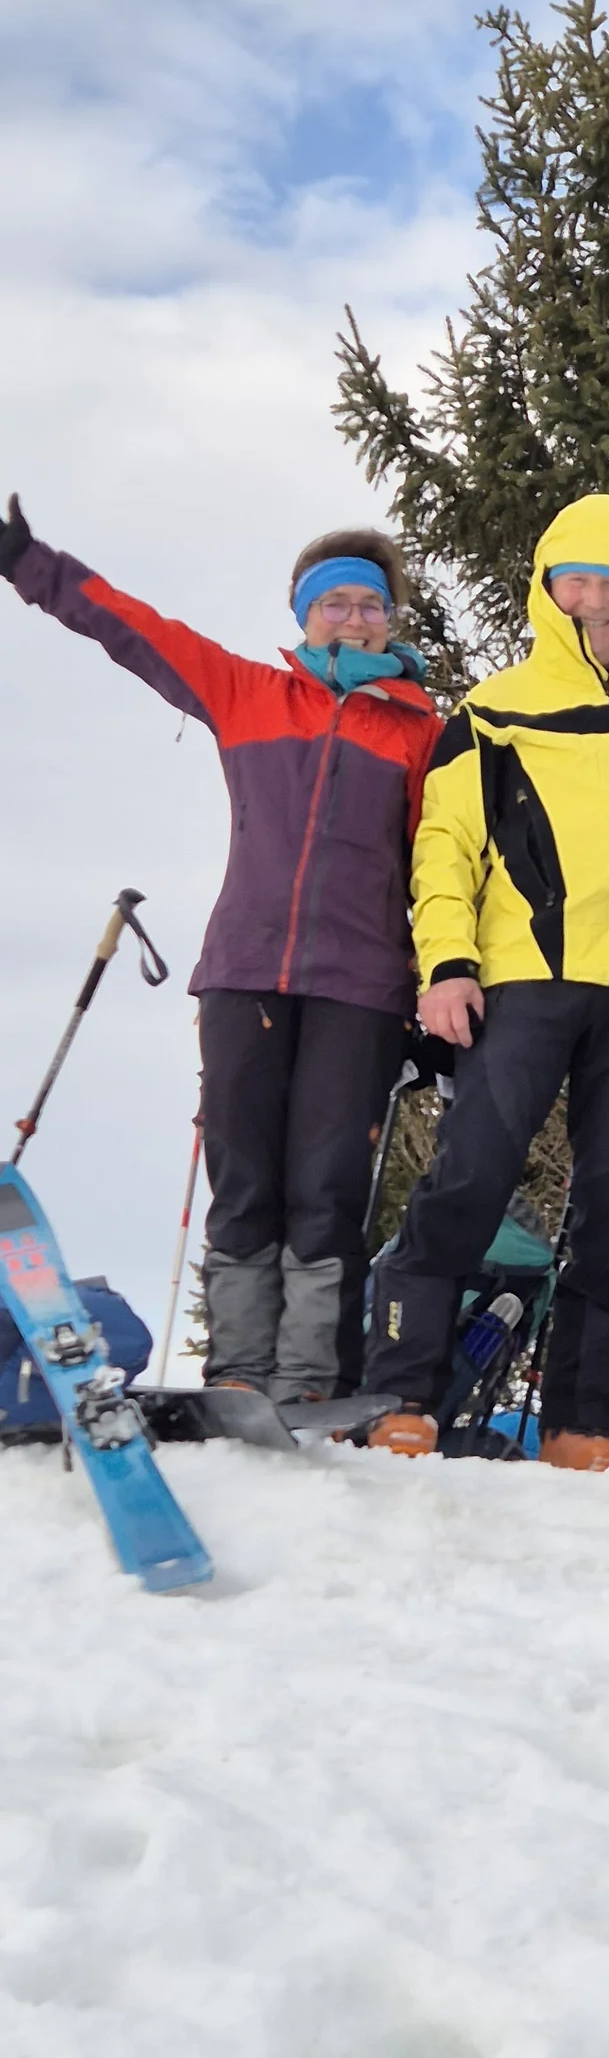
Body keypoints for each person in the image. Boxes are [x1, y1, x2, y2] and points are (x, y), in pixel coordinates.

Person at [0, 494, 438, 1403]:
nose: (354, 617)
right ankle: (240, 1372)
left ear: (390, 618)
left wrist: (438, 985)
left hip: (362, 990)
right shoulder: (248, 694)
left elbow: (443, 870)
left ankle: (312, 1377)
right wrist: (26, 562)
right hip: (245, 975)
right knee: (244, 1176)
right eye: (335, 602)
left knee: (326, 1184)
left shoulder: (422, 734)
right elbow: (135, 631)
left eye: (371, 604)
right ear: (303, 614)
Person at [360, 495, 609, 1467]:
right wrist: (448, 967)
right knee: (470, 1176)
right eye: (577, 579)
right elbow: (445, 846)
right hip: (522, 981)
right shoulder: (494, 709)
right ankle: (406, 1391)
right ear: (546, 589)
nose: (594, 599)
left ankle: (582, 1420)